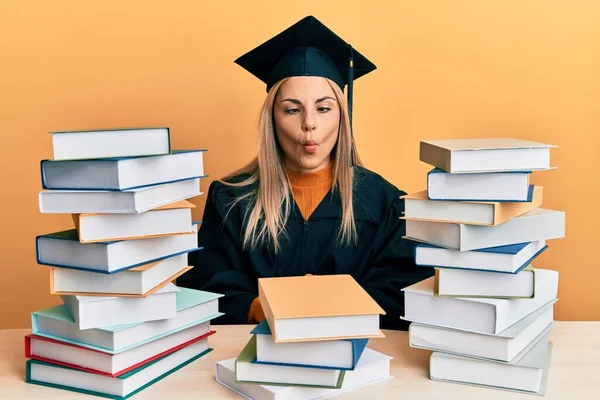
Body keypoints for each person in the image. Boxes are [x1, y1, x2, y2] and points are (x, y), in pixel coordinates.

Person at [177, 15, 434, 330]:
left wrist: (327, 307)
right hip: (255, 354)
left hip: (359, 357)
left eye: (324, 108)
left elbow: (402, 294)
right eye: (292, 109)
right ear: (272, 118)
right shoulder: (231, 198)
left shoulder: (385, 202)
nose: (309, 123)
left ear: (342, 116)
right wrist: (263, 308)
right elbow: (206, 287)